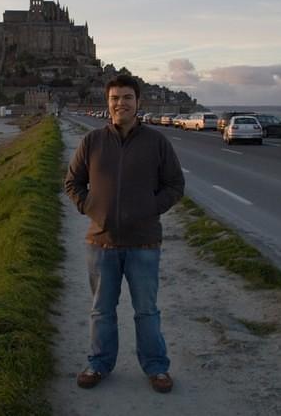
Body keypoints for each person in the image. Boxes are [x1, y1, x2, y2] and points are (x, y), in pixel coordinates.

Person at [64, 74, 185, 394]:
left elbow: (175, 185)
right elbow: (72, 182)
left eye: (127, 98)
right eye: (115, 98)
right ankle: (99, 364)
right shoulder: (92, 141)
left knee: (146, 310)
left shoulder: (157, 142)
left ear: (138, 102)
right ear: (108, 103)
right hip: (100, 242)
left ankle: (157, 368)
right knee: (102, 310)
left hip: (144, 242)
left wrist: (150, 207)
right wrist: (91, 207)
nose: (121, 103)